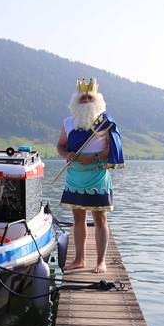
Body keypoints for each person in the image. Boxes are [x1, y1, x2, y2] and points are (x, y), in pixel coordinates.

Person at [57, 78, 124, 273]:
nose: (86, 100)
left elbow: (112, 150)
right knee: (78, 218)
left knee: (100, 218)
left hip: (97, 175)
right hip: (74, 176)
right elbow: (60, 146)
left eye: (89, 96)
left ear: (96, 99)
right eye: (82, 97)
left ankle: (101, 261)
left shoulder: (105, 123)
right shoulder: (68, 123)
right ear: (76, 101)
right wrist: (66, 154)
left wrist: (93, 157)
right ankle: (79, 259)